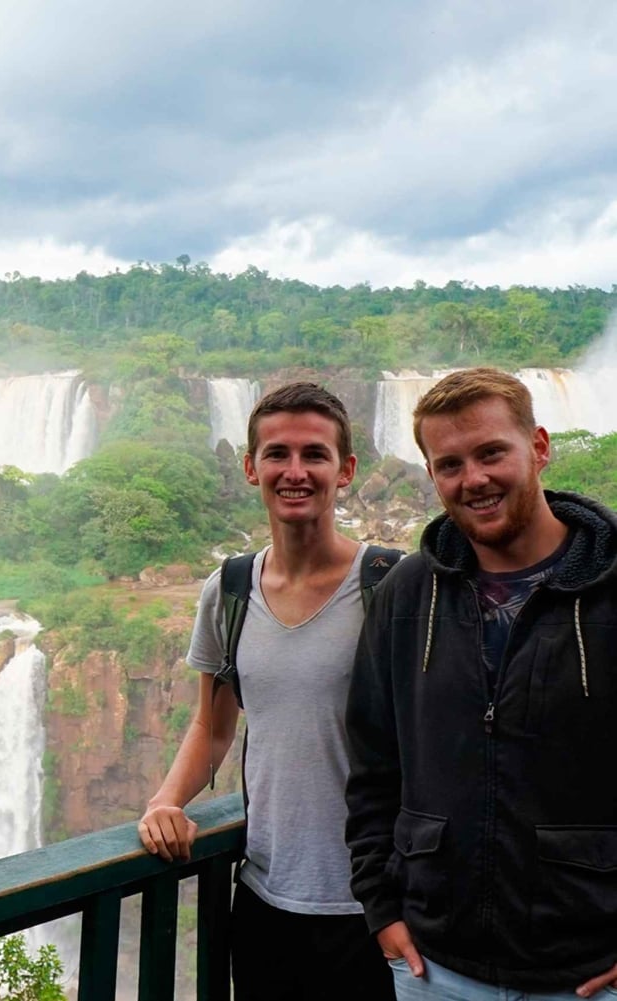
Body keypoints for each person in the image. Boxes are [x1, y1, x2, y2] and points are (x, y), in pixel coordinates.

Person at [345, 367, 617, 999]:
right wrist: (381, 908)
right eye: (450, 464)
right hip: (434, 966)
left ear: (539, 447)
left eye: (492, 453)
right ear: (432, 474)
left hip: (588, 972)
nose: (474, 479)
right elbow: (372, 765)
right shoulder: (407, 594)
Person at [139, 382, 394, 1001]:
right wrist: (165, 802)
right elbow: (212, 726)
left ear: (345, 470)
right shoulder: (228, 591)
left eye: (314, 454)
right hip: (262, 900)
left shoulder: (392, 585)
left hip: (377, 907)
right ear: (252, 467)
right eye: (277, 453)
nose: (295, 471)